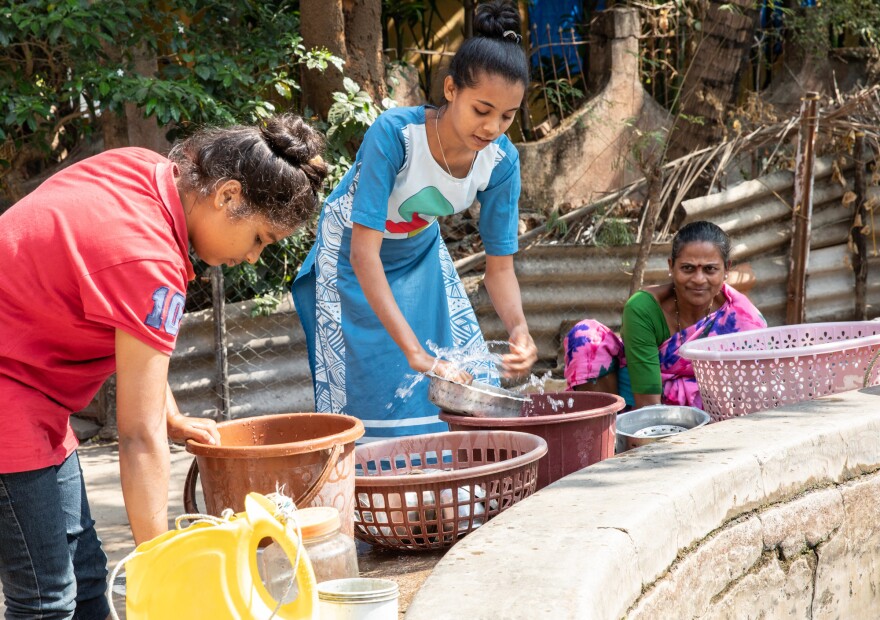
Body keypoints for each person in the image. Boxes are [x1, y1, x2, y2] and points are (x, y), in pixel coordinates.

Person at [0, 113, 327, 618]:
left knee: (87, 583)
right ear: (228, 196)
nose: (253, 258)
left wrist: (169, 414)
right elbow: (137, 437)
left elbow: (131, 341)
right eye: (261, 238)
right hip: (11, 392)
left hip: (31, 388)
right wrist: (163, 568)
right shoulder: (149, 262)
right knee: (46, 601)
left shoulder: (144, 171)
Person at [292, 0, 537, 442]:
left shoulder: (501, 162)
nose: (492, 127)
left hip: (419, 249)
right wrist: (416, 353)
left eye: (507, 116)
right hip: (348, 254)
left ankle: (445, 494)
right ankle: (368, 497)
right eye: (482, 110)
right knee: (369, 383)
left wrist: (519, 329)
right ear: (450, 90)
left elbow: (500, 268)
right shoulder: (395, 135)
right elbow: (363, 254)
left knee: (463, 377)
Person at [564, 221, 766, 410]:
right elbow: (648, 403)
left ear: (726, 270)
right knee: (585, 337)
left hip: (714, 415)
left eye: (710, 269)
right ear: (671, 266)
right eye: (687, 268)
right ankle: (603, 435)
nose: (698, 279)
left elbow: (754, 391)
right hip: (636, 409)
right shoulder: (643, 309)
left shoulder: (742, 318)